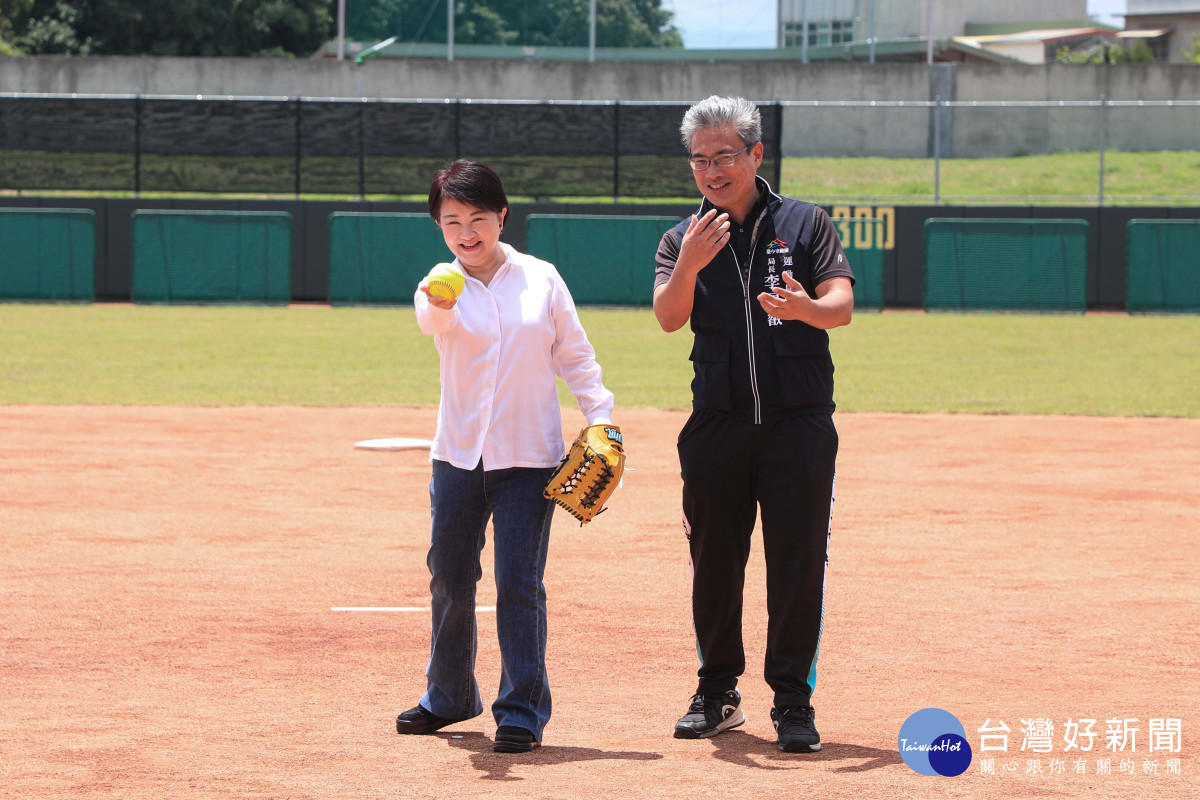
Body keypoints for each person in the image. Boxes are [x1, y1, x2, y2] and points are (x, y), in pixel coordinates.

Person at [652, 96, 855, 753]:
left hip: (798, 425)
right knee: (714, 564)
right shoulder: (681, 237)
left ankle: (793, 703)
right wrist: (688, 262)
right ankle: (716, 693)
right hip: (717, 424)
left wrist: (805, 306)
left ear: (756, 154)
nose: (712, 169)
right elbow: (668, 317)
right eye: (700, 160)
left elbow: (842, 305)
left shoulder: (805, 223)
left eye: (725, 156)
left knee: (795, 566)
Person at [397, 159, 615, 753]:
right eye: (451, 222)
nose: (466, 233)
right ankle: (448, 697)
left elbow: (575, 354)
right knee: (449, 574)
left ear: (502, 216)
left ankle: (520, 710)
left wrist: (601, 417)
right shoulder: (440, 282)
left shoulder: (541, 278)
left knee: (519, 583)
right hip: (458, 457)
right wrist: (439, 298)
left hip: (527, 458)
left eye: (477, 218)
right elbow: (428, 321)